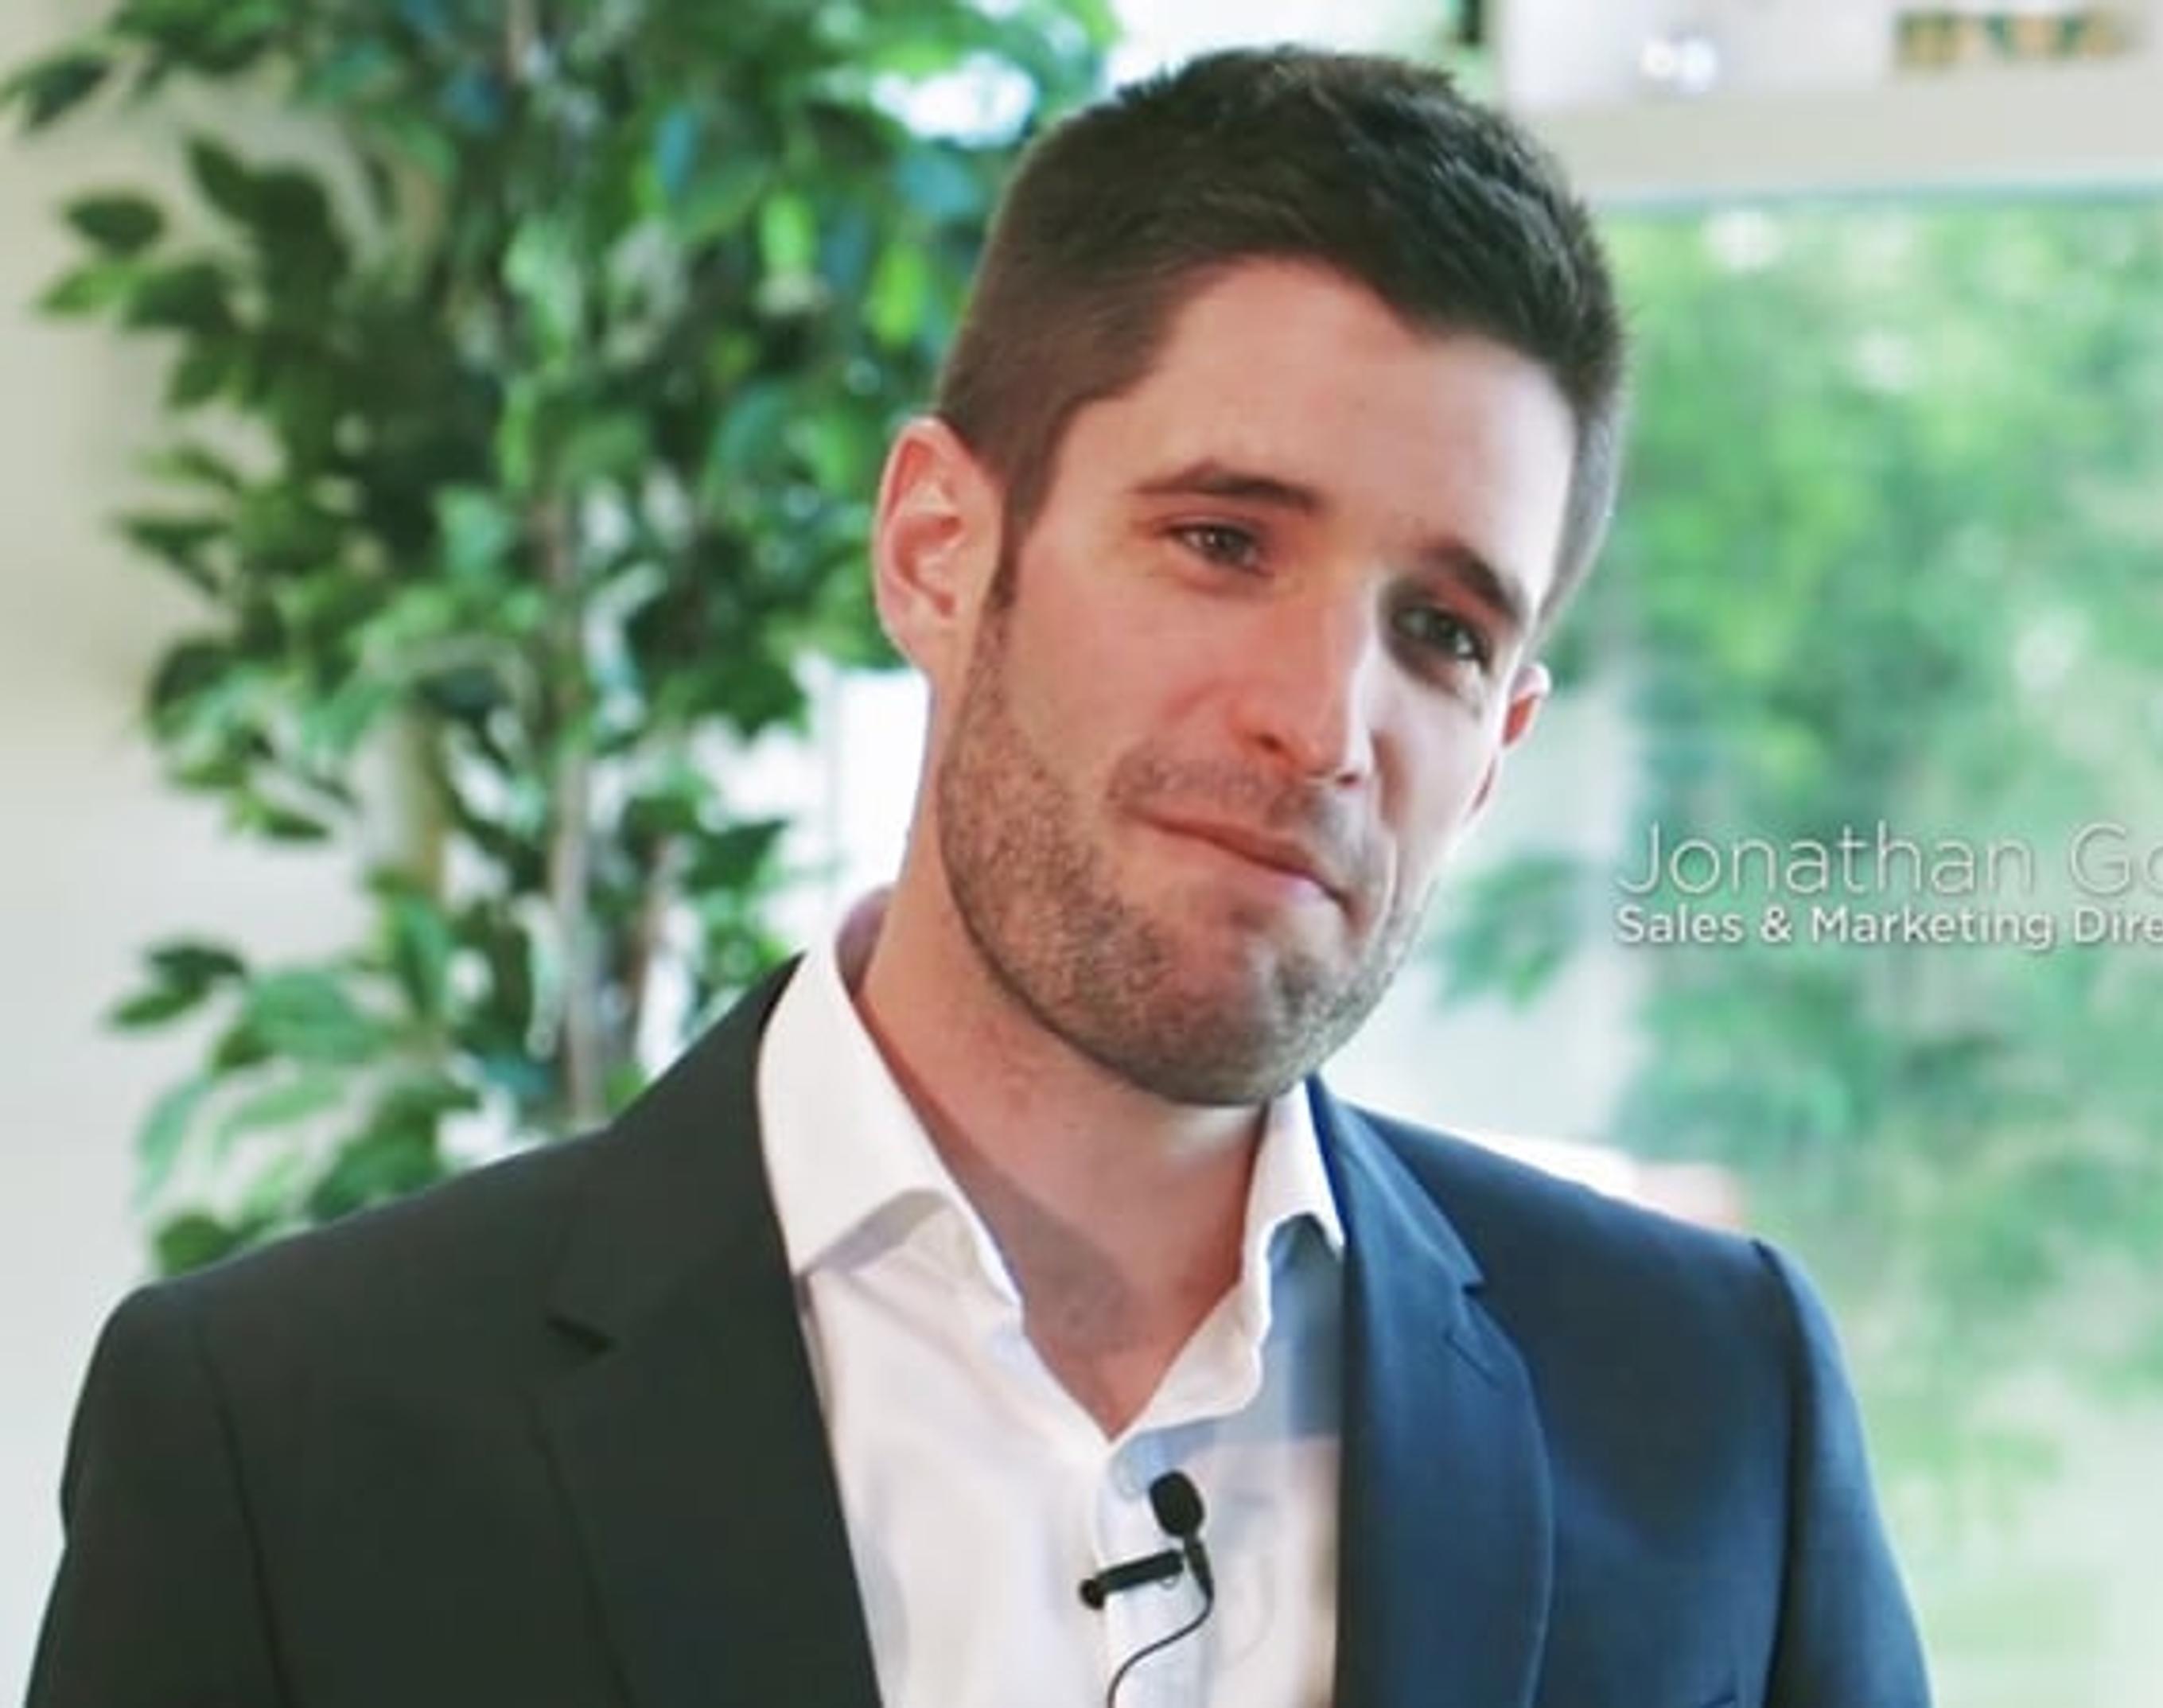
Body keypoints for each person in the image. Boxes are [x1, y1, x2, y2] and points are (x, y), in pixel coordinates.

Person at [28, 46, 1930, 1708]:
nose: (1321, 724)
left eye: (1440, 630)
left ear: (1500, 741)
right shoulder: (290, 1435)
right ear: (940, 550)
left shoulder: (1707, 1406)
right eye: (1220, 540)